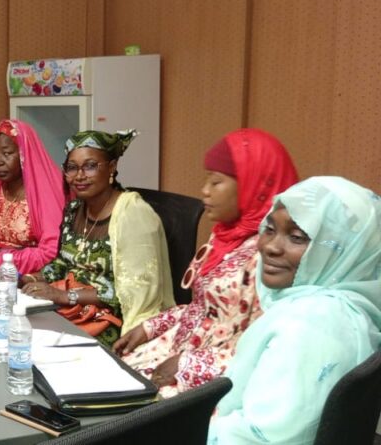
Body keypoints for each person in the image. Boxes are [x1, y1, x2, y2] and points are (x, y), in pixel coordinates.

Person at [113, 129, 298, 397]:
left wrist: (187, 365)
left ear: (253, 185)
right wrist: (149, 326)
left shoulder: (273, 257)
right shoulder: (225, 235)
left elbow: (268, 353)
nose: (205, 191)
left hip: (217, 379)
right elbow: (204, 308)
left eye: (216, 182)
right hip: (180, 347)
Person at [207, 176, 381, 444]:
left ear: (344, 251)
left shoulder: (309, 324)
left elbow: (260, 437)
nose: (270, 247)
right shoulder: (350, 306)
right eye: (269, 229)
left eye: (297, 237)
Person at [22, 129, 174, 346]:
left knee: (39, 346)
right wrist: (29, 279)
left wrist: (65, 296)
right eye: (72, 168)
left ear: (112, 167)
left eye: (90, 166)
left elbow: (132, 292)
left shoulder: (133, 213)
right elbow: (63, 264)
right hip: (72, 309)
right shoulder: (75, 209)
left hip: (114, 320)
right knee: (18, 329)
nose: (79, 176)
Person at [0, 119, 66, 276]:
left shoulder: (44, 192)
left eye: (7, 154)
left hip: (29, 278)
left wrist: (2, 259)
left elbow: (52, 252)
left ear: (25, 154)